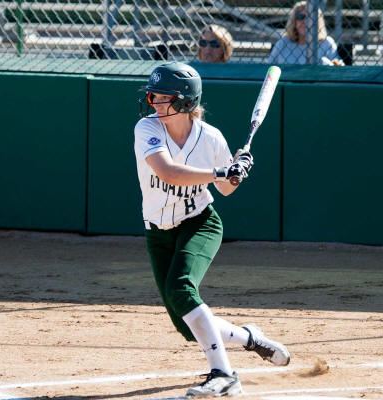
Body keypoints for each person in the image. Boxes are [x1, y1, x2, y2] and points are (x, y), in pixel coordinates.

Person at [134, 62, 290, 397]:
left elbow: (226, 190)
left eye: (163, 97)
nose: (154, 102)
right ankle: (250, 337)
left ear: (185, 101)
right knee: (186, 325)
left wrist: (237, 170)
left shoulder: (211, 137)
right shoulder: (147, 128)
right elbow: (168, 172)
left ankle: (224, 374)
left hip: (199, 223)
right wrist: (221, 171)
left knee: (181, 290)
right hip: (158, 232)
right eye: (153, 96)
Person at [267, 1, 342, 66]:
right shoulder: (283, 43)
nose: (305, 21)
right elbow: (269, 66)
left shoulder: (326, 43)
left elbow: (338, 68)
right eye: (300, 17)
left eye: (309, 17)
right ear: (294, 21)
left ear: (317, 22)